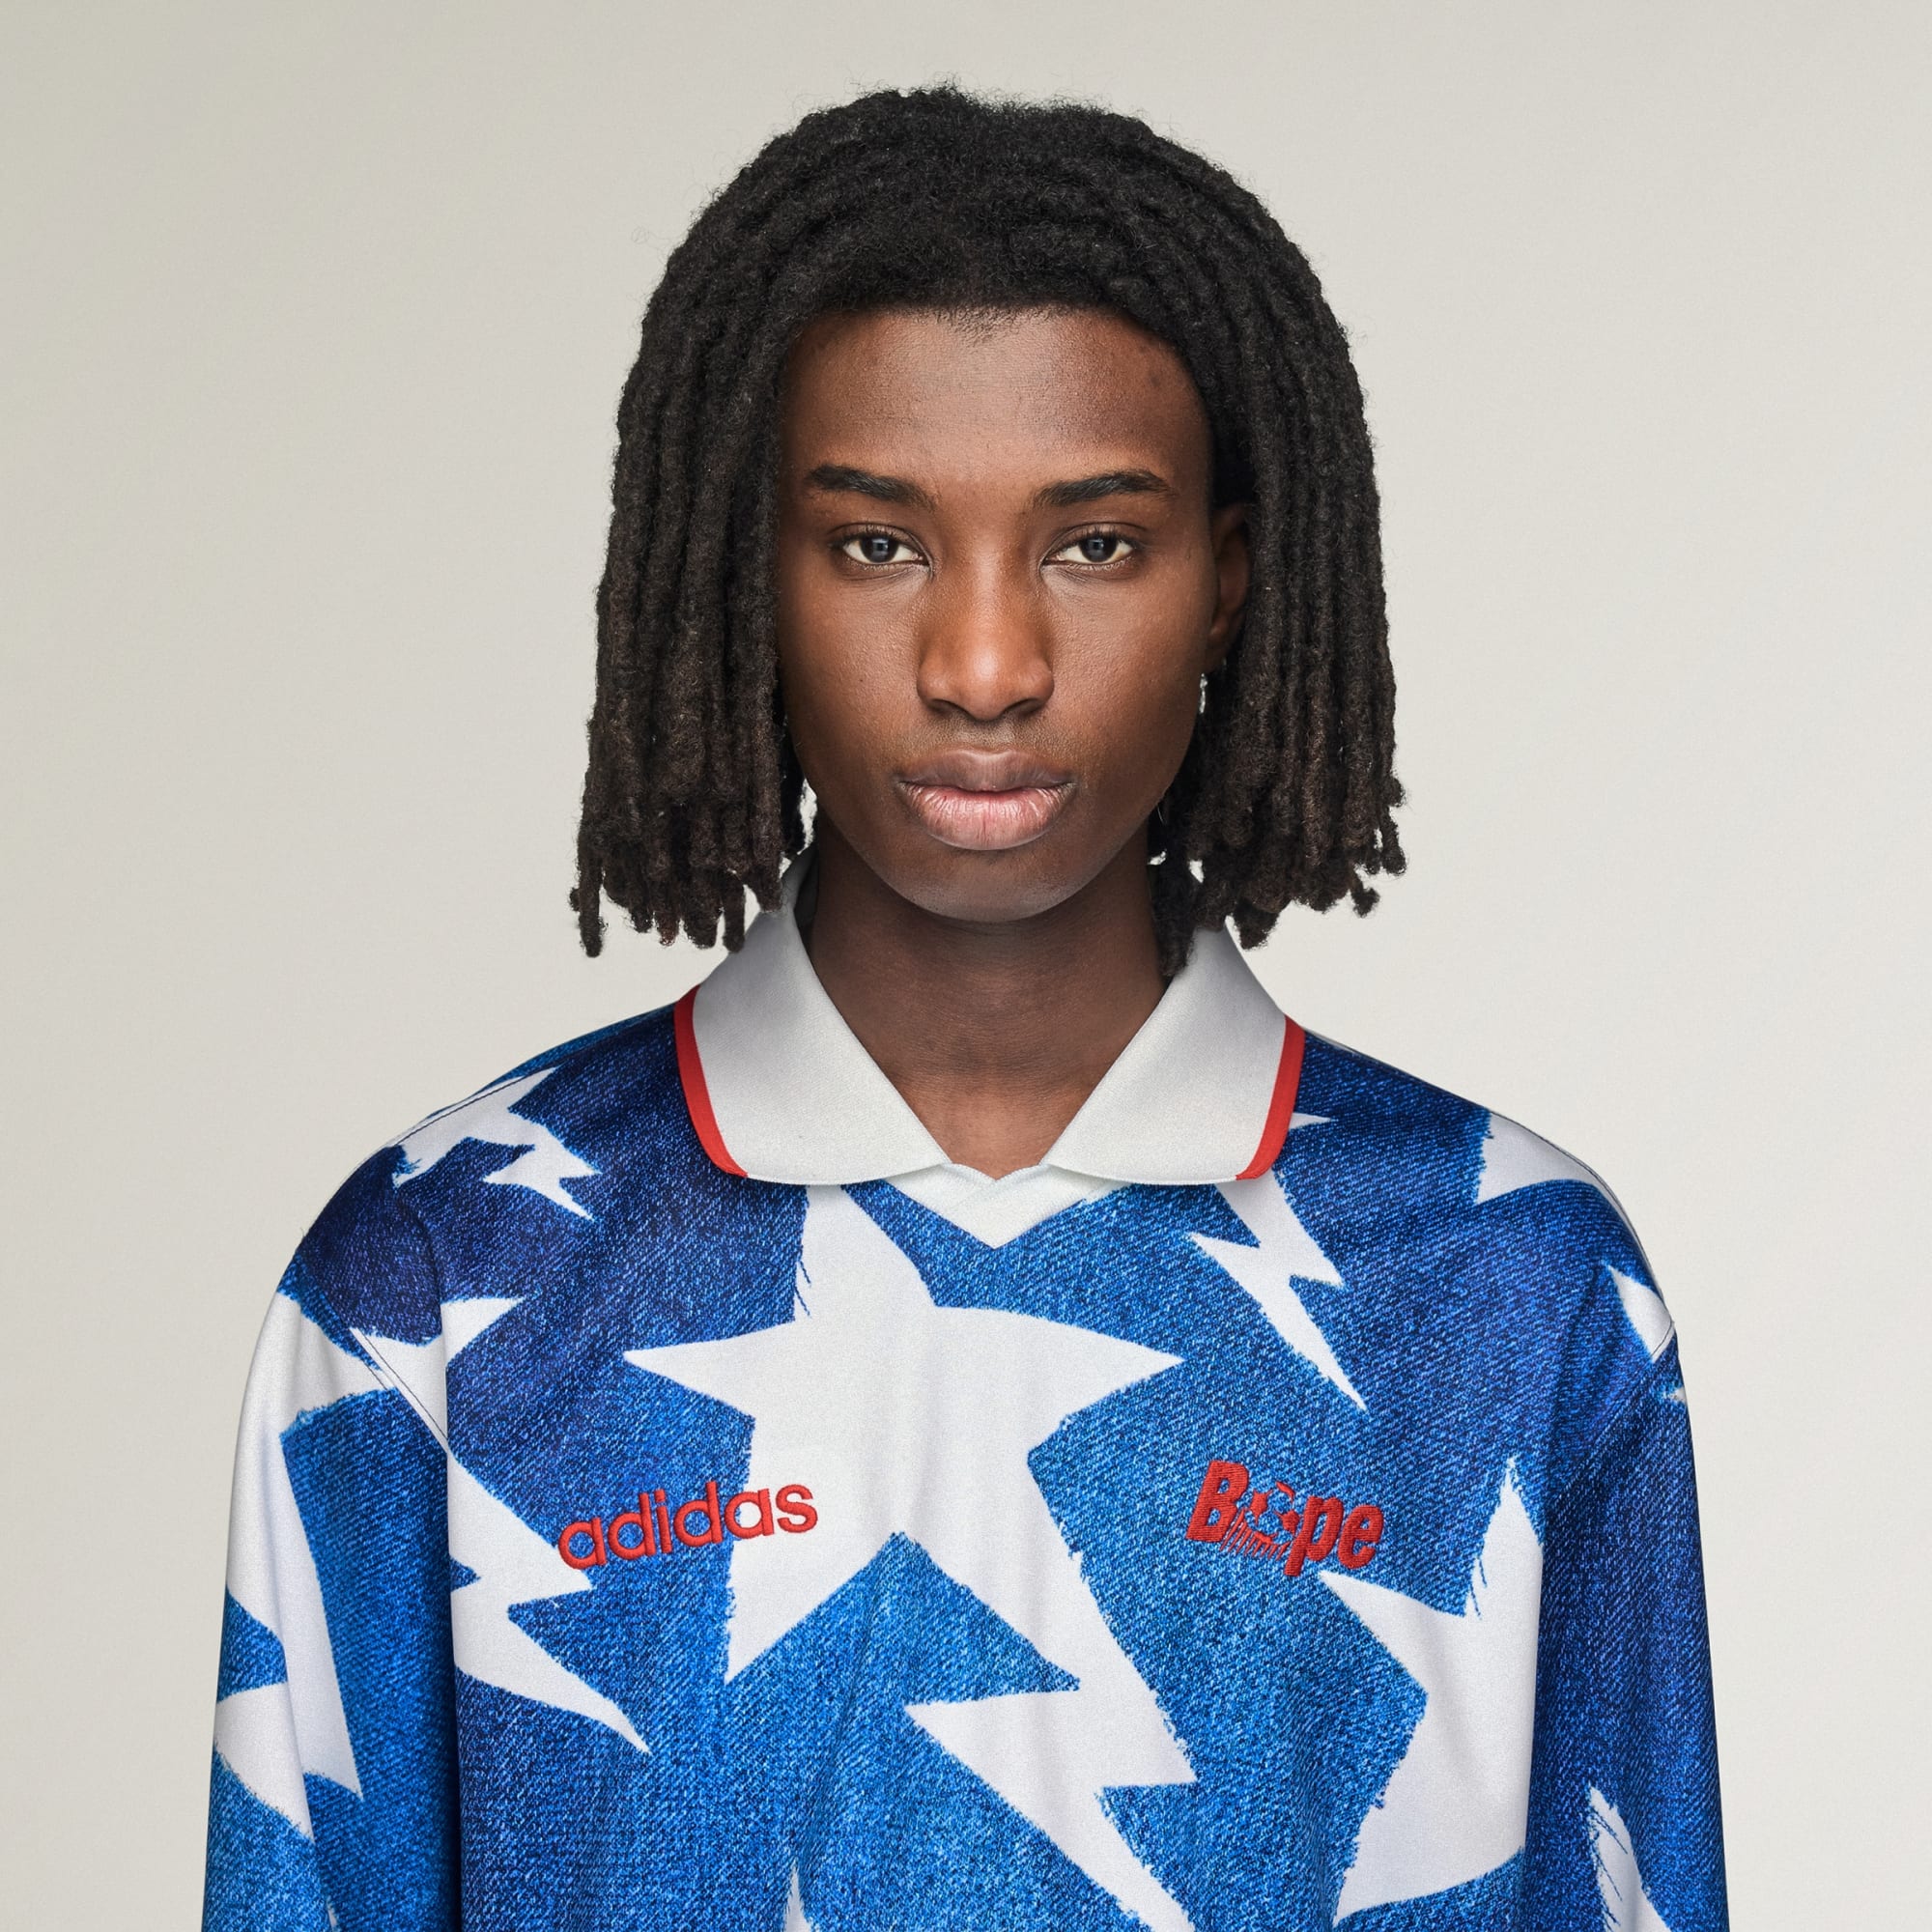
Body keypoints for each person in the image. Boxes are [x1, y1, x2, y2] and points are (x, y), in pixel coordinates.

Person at [201, 86, 1726, 1932]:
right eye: (876, 544)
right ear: (743, 575)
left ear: (1230, 583)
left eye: (1096, 544)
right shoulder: (439, 1281)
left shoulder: (1513, 1285)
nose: (985, 666)